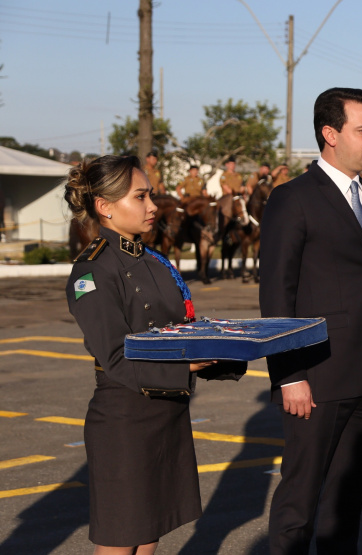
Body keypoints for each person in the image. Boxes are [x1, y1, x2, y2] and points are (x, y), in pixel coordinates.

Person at [259, 87, 362, 554]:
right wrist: (290, 376)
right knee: (299, 503)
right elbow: (276, 295)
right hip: (318, 378)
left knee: (347, 505)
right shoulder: (293, 199)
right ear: (330, 134)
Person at [64, 155, 216, 554]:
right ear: (105, 207)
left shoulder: (156, 262)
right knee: (119, 541)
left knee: (149, 535)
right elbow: (115, 355)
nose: (153, 206)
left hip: (166, 416)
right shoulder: (91, 271)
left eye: (150, 195)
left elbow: (180, 327)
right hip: (125, 421)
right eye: (141, 196)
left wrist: (225, 348)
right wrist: (184, 367)